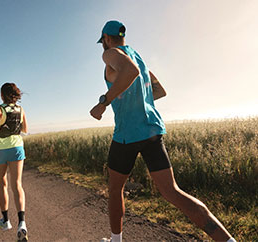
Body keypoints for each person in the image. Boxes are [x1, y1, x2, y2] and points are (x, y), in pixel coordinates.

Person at [90, 20, 235, 242]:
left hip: (126, 135)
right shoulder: (139, 58)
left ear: (106, 39)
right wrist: (139, 100)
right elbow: (159, 91)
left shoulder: (111, 54)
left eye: (103, 41)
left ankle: (116, 240)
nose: (104, 45)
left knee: (115, 188)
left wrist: (104, 102)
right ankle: (228, 240)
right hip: (152, 131)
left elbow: (129, 71)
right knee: (172, 192)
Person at [0, 83, 28, 242]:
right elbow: (24, 129)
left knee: (2, 183)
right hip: (16, 147)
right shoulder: (21, 110)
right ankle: (22, 223)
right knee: (17, 184)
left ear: (2, 95)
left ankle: (6, 221)